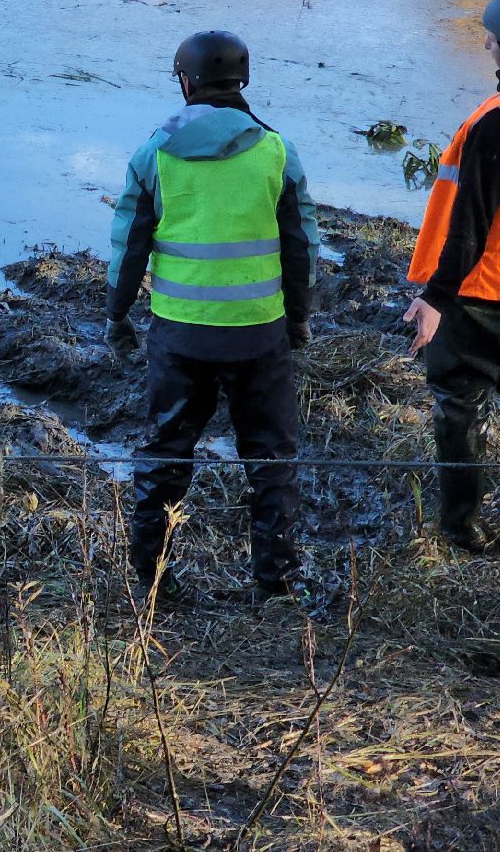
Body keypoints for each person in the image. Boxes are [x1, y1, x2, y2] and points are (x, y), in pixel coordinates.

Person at [106, 30, 320, 598]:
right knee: (272, 458)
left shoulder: (153, 152)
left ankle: (151, 583)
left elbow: (129, 241)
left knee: (165, 455)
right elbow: (301, 246)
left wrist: (117, 315)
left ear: (185, 80)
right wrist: (297, 318)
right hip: (259, 335)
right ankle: (275, 587)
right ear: (243, 81)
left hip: (180, 337)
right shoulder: (278, 150)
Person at [403, 0, 500, 552]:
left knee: (459, 409)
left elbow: (469, 227)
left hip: (477, 295)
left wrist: (434, 300)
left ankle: (461, 527)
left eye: (490, 36)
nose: (484, 43)